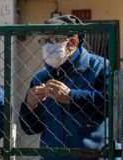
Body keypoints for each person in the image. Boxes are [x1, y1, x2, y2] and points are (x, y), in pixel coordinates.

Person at [19, 15, 109, 160]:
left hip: (92, 156)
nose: (47, 46)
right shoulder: (41, 77)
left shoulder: (100, 67)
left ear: (72, 42)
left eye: (54, 40)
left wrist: (72, 97)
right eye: (43, 41)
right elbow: (30, 129)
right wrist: (29, 106)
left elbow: (111, 104)